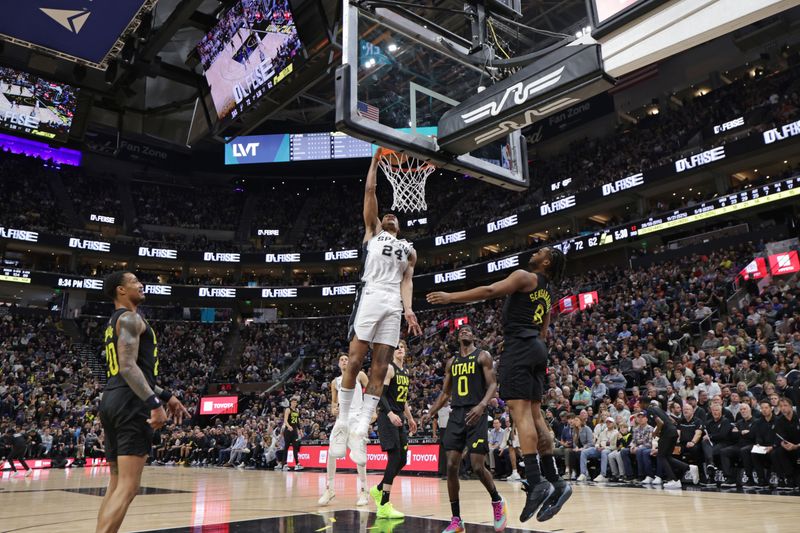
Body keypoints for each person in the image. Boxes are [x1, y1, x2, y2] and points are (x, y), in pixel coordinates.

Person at [428, 247, 570, 523]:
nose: (535, 251)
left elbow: (491, 291)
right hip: (536, 348)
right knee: (537, 415)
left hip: (521, 349)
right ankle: (556, 480)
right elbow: (544, 327)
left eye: (541, 250)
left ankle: (536, 481)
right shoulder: (546, 290)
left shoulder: (526, 276)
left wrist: (450, 297)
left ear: (547, 261)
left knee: (521, 414)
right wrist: (529, 340)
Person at [331, 148, 423, 468]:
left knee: (381, 368)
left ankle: (360, 426)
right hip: (371, 294)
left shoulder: (408, 250)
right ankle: (343, 422)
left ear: (398, 223)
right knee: (355, 360)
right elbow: (370, 191)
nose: (389, 217)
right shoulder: (373, 233)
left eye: (393, 216)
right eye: (386, 216)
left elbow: (407, 283)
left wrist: (409, 309)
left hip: (393, 303)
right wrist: (374, 161)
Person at [96, 271, 189, 533]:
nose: (141, 284)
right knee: (129, 486)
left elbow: (132, 371)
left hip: (113, 397)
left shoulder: (115, 321)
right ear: (120, 290)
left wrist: (167, 394)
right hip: (130, 402)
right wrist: (155, 403)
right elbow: (128, 368)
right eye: (135, 281)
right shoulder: (129, 318)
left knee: (116, 483)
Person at [421, 325, 508, 533]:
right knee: (451, 465)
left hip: (476, 413)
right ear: (458, 338)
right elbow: (445, 393)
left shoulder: (483, 356)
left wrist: (481, 406)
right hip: (457, 415)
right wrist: (431, 412)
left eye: (469, 330)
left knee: (478, 466)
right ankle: (457, 519)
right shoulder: (452, 362)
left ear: (474, 335)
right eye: (461, 330)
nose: (465, 331)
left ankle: (497, 502)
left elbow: (493, 384)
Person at [369, 341, 418, 519]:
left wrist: (410, 418)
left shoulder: (405, 372)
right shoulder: (389, 369)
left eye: (402, 347)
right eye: (396, 347)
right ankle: (383, 504)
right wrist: (389, 414)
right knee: (394, 457)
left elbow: (402, 398)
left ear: (405, 351)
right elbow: (380, 393)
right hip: (387, 417)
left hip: (400, 417)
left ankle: (379, 488)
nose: (399, 349)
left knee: (403, 459)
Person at [319, 354, 370, 506]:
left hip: (357, 419)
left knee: (359, 457)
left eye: (346, 359)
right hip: (342, 420)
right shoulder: (335, 382)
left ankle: (364, 491)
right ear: (338, 364)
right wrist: (333, 409)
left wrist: (371, 411)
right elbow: (334, 404)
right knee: (331, 453)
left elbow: (371, 391)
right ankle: (330, 489)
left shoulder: (360, 375)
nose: (344, 361)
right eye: (341, 359)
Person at [282, 397, 303, 471]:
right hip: (288, 431)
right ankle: (284, 464)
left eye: (295, 402)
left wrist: (300, 430)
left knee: (295, 447)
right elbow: (285, 420)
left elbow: (297, 421)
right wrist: (288, 426)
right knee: (286, 447)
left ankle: (297, 463)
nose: (294, 403)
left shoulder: (297, 410)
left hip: (294, 431)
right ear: (291, 402)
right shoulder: (288, 410)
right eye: (293, 402)